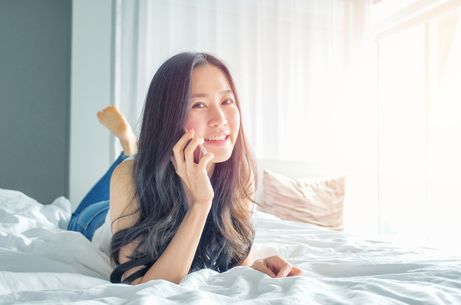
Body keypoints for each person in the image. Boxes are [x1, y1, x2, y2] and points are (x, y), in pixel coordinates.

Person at [68, 52, 302, 285]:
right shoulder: (129, 177)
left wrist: (257, 267)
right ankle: (129, 150)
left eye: (226, 101)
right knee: (76, 217)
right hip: (97, 220)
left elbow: (235, 254)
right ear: (169, 117)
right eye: (199, 104)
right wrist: (201, 204)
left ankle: (131, 147)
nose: (219, 119)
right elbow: (138, 285)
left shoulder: (240, 173)